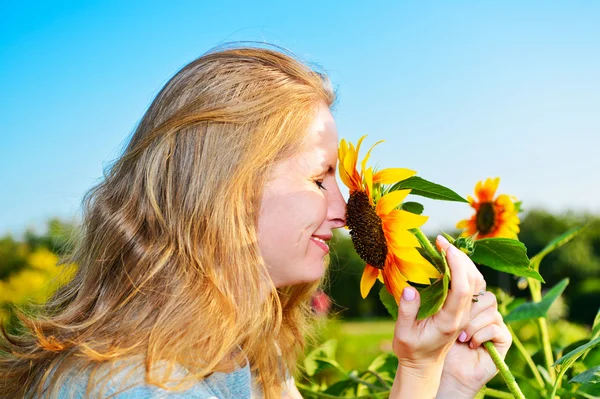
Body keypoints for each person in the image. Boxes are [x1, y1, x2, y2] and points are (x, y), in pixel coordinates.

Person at [0, 44, 512, 399]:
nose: (341, 212)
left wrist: (434, 376)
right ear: (230, 191)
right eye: (319, 179)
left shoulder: (236, 356)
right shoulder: (144, 388)